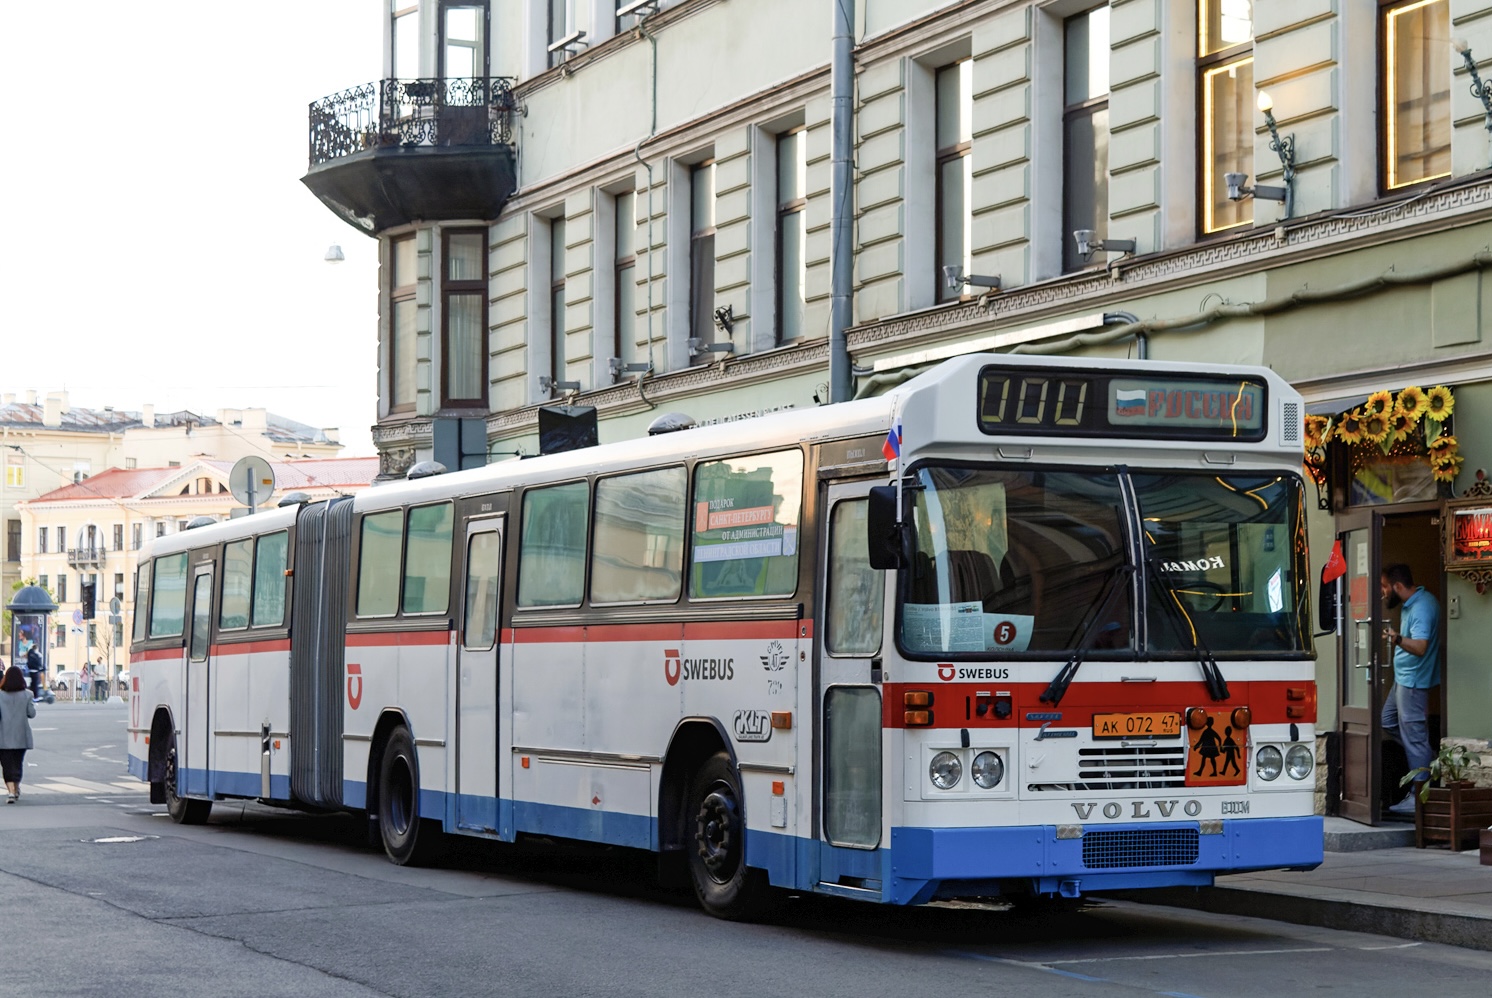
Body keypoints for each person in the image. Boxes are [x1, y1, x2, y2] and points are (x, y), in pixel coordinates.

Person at [1381, 563, 1441, 816]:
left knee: (1415, 739)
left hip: (1414, 681)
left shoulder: (1422, 607)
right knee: (1388, 720)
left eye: (1384, 587)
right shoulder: (1413, 604)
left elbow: (1420, 647)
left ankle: (1419, 797)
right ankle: (1429, 759)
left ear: (1397, 586)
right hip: (1404, 678)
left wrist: (1396, 639)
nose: (1383, 593)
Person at [0, 665, 37, 803]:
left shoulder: (0, 695)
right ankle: (16, 789)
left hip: (3, 735)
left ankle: (10, 792)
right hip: (21, 735)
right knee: (18, 763)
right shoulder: (28, 695)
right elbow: (31, 714)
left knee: (7, 765)